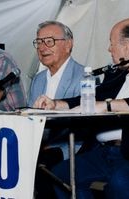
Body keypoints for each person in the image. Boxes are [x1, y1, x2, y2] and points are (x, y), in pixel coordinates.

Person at [33, 17, 129, 199]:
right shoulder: (117, 75)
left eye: (112, 43)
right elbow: (89, 98)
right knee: (61, 173)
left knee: (120, 183)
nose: (109, 49)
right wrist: (56, 103)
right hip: (104, 152)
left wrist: (107, 106)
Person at [29, 20, 85, 199]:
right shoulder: (38, 79)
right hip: (40, 144)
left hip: (70, 144)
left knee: (40, 166)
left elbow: (85, 126)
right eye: (39, 42)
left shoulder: (85, 77)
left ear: (68, 45)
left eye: (49, 41)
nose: (42, 47)